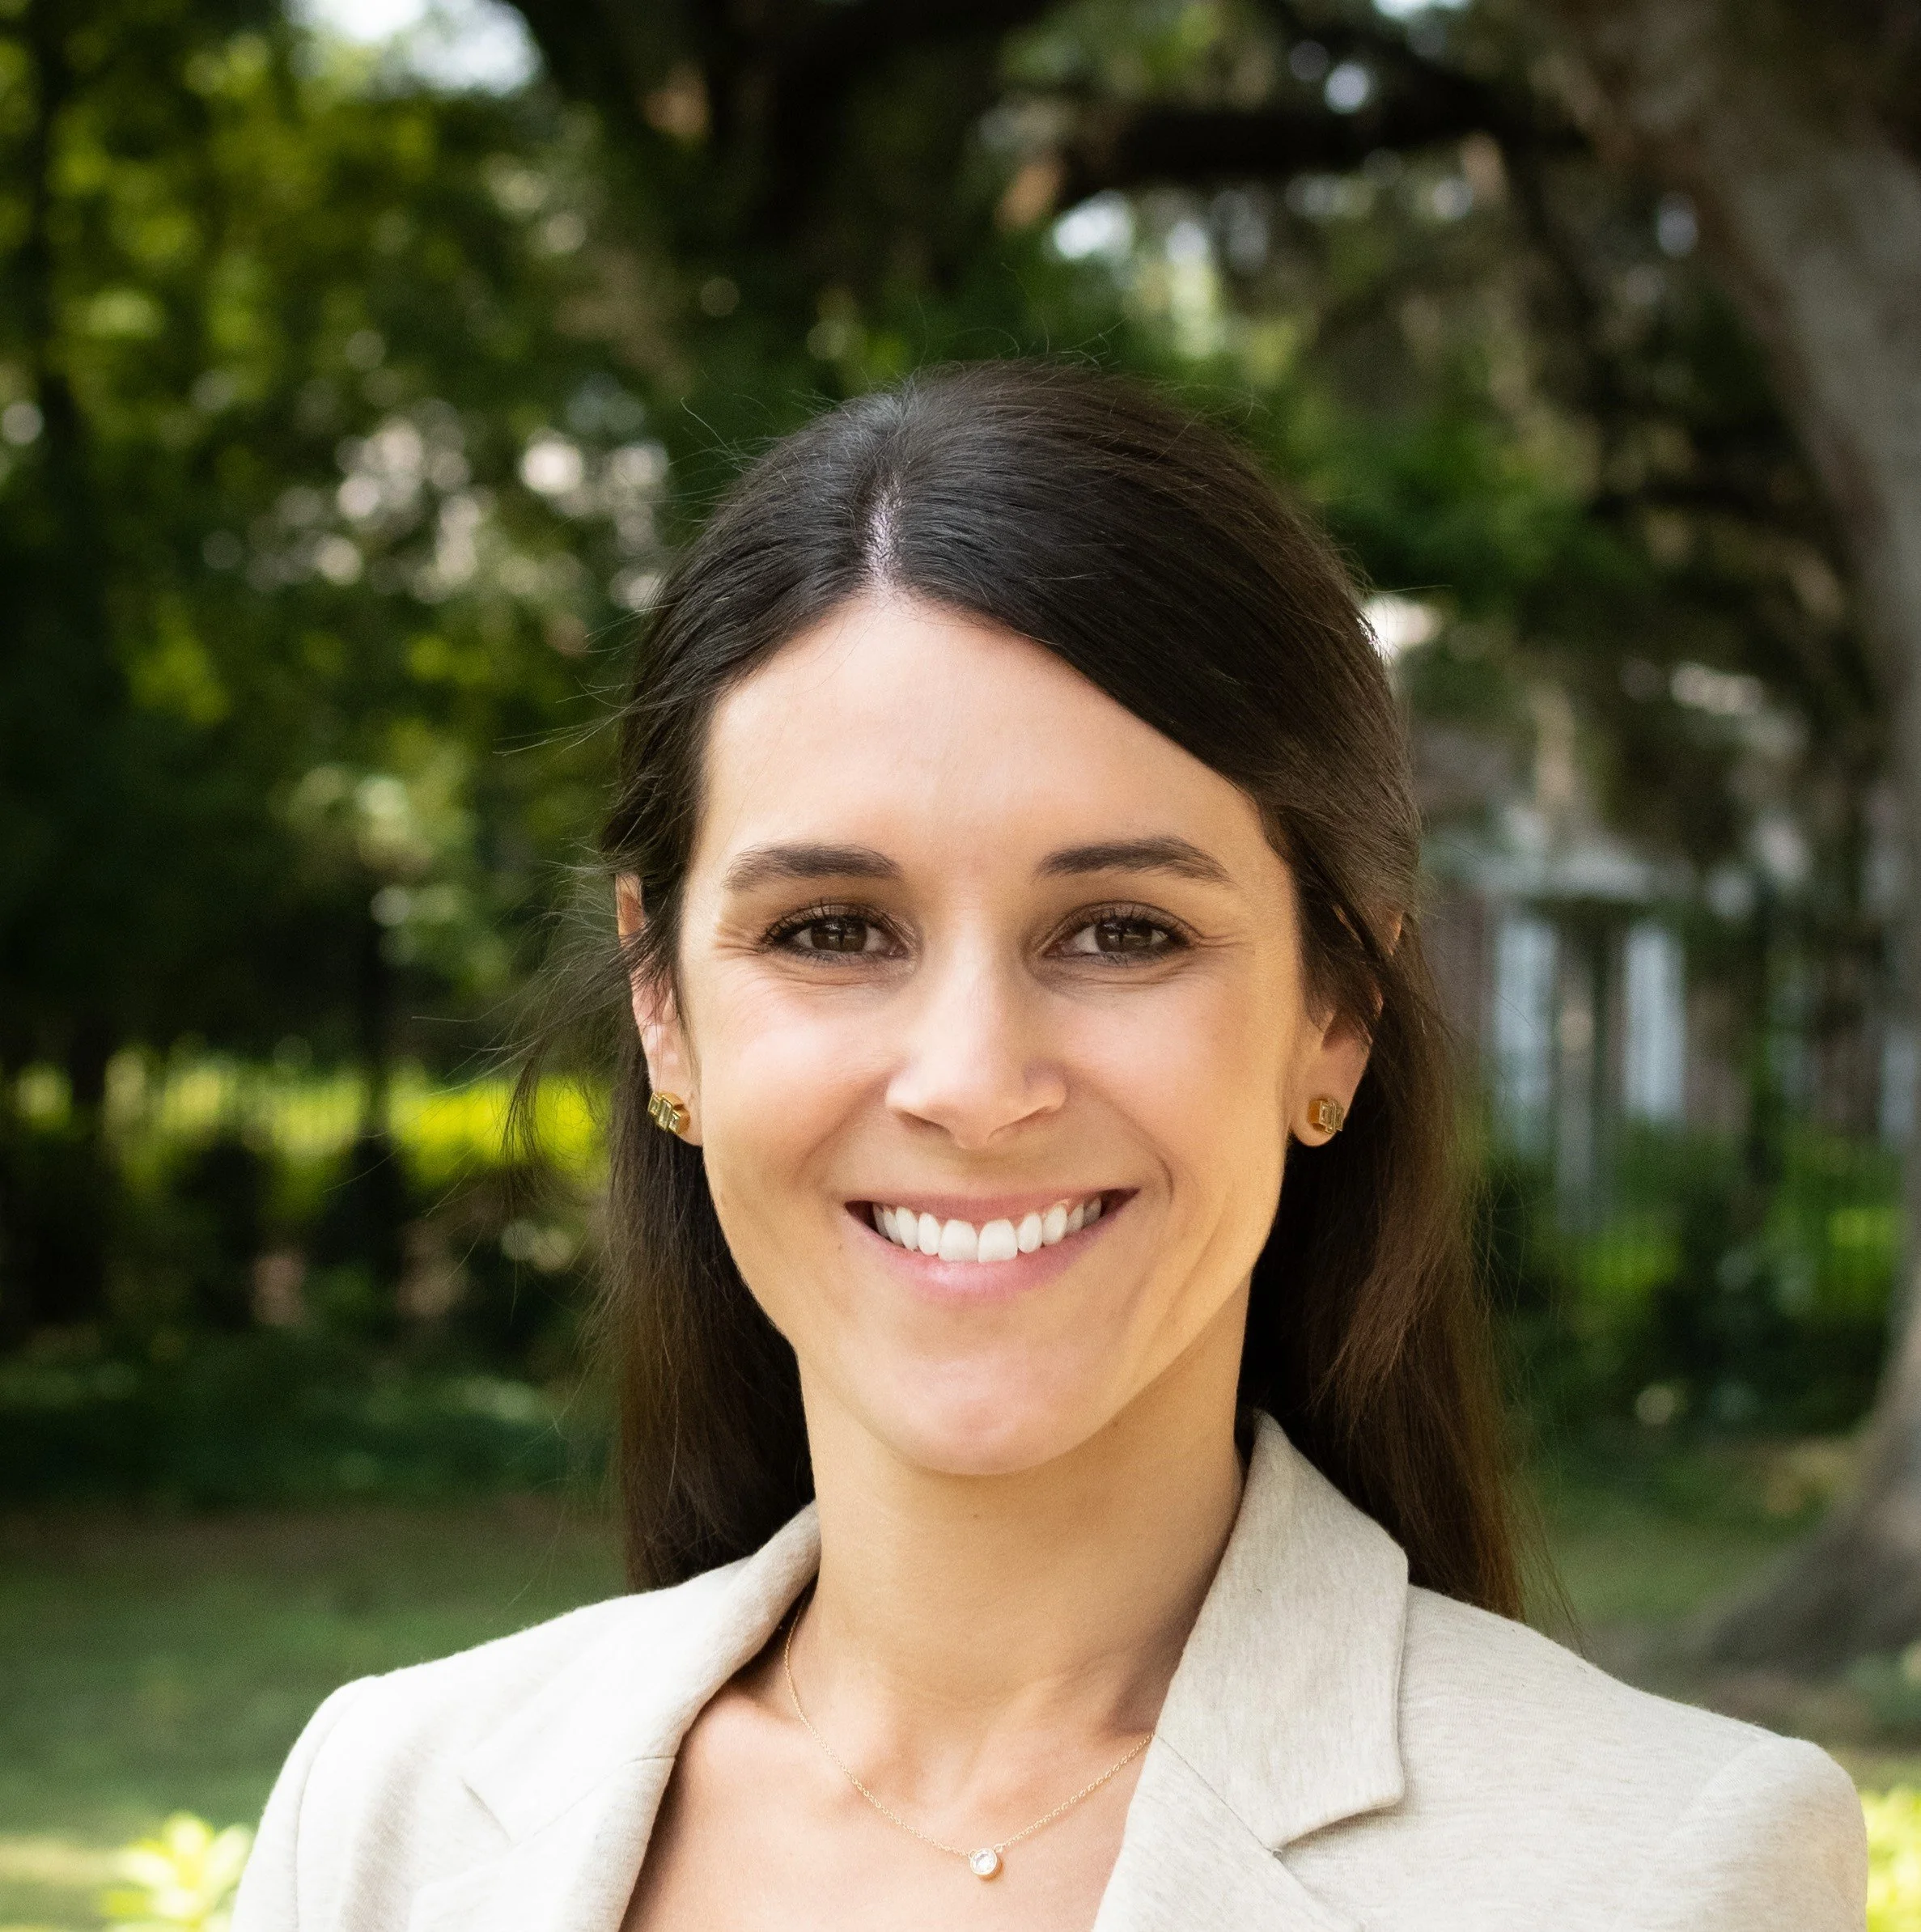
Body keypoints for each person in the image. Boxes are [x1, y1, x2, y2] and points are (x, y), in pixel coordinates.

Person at [233, 362, 1865, 1932]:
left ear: (1336, 1014)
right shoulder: (386, 1820)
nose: (969, 1079)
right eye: (828, 928)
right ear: (664, 1008)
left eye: (1119, 932)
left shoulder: (1665, 1871)